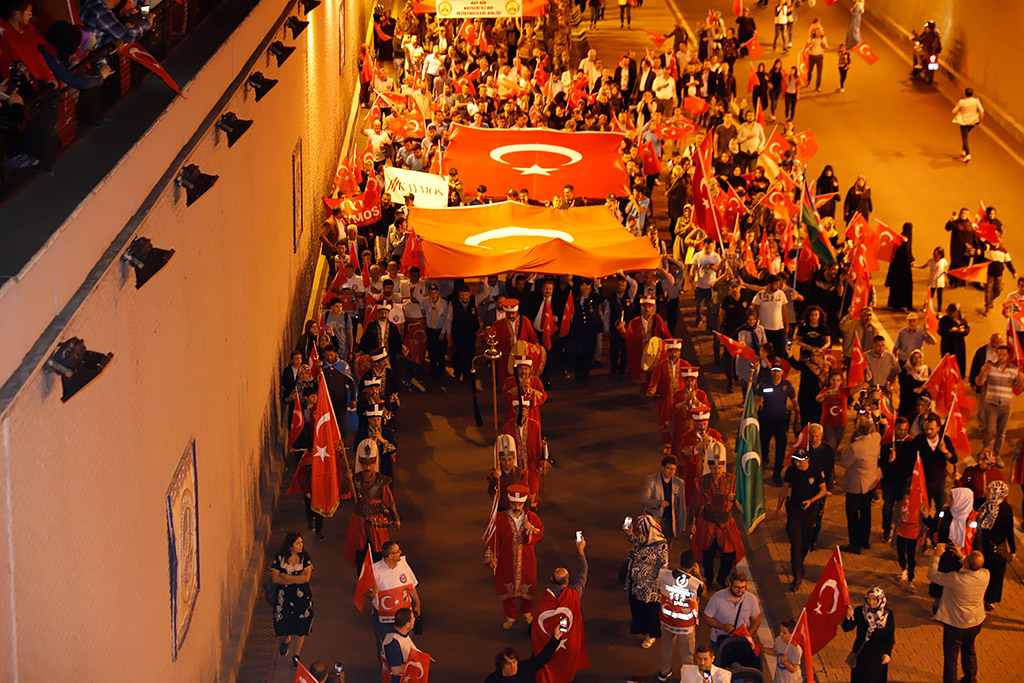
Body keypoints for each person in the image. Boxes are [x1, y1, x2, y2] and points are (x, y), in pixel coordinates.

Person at [530, 535, 589, 683]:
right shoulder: (574, 594)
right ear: (568, 581)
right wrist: (581, 551)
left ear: (551, 580)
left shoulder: (544, 599)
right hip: (567, 644)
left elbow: (538, 624)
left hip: (547, 643)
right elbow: (584, 572)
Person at [928, 544, 988, 683]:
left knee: (951, 657)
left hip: (956, 623)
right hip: (975, 621)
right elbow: (972, 566)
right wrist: (962, 557)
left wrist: (936, 556)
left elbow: (932, 575)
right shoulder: (985, 575)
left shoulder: (956, 579)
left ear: (966, 563)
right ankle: (970, 679)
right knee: (969, 651)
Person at [486, 484, 543, 629]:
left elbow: (539, 533)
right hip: (507, 561)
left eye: (520, 504)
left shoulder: (532, 518)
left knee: (528, 587)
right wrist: (492, 557)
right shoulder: (500, 519)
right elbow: (494, 541)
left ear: (524, 503)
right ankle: (510, 615)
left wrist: (529, 527)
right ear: (509, 503)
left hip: (526, 561)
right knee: (508, 590)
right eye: (514, 504)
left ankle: (527, 612)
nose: (517, 507)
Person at [773, 447, 826, 590]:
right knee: (795, 543)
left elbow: (823, 490)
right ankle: (797, 576)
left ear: (807, 460)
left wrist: (812, 500)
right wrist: (778, 508)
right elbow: (784, 488)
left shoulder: (815, 470)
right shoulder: (791, 471)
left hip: (810, 512)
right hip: (795, 511)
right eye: (796, 460)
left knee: (805, 543)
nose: (798, 464)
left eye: (801, 461)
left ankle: (800, 563)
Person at [691, 443, 744, 587]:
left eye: (719, 467)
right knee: (707, 554)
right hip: (708, 525)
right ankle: (708, 577)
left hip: (726, 524)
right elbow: (695, 504)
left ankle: (722, 577)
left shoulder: (730, 480)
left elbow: (742, 500)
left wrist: (734, 498)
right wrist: (692, 523)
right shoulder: (702, 482)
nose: (716, 470)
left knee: (729, 554)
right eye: (714, 467)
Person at [344, 440, 400, 568]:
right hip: (359, 522)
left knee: (378, 554)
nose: (367, 467)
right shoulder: (356, 480)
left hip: (377, 522)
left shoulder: (381, 481)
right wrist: (347, 481)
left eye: (370, 464)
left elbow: (389, 501)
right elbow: (345, 495)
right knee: (360, 554)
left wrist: (396, 518)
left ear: (375, 462)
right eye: (364, 464)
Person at [656, 550, 705, 682]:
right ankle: (688, 678)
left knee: (666, 647)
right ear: (693, 565)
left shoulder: (665, 575)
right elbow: (703, 592)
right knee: (687, 653)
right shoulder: (695, 583)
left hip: (667, 620)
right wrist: (698, 574)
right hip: (685, 625)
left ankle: (663, 672)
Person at [623, 515, 669, 649]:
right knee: (637, 607)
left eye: (640, 529)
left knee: (650, 613)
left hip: (650, 589)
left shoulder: (661, 546)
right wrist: (630, 535)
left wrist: (648, 583)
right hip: (636, 585)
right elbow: (639, 548)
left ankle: (652, 634)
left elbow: (663, 568)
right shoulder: (646, 540)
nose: (639, 532)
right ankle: (640, 627)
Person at [366, 541, 421, 650]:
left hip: (404, 616)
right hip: (384, 618)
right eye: (397, 551)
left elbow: (411, 586)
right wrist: (372, 594)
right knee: (383, 644)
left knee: (408, 644)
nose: (400, 552)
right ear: (390, 556)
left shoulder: (403, 566)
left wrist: (417, 604)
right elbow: (366, 593)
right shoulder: (374, 570)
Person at [270, 532, 314, 667]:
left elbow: (306, 578)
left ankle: (296, 655)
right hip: (283, 598)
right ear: (290, 546)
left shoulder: (305, 558)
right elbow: (275, 578)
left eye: (301, 543)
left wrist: (286, 577)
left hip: (302, 599)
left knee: (301, 626)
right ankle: (286, 640)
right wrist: (296, 579)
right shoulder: (279, 559)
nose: (301, 545)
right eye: (298, 543)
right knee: (282, 625)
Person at [975, 344, 1023, 464]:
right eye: (999, 354)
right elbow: (979, 383)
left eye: (1004, 355)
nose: (1001, 357)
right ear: (996, 354)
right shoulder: (989, 367)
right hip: (991, 404)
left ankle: (997, 455)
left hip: (1006, 405)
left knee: (1001, 432)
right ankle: (985, 452)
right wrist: (983, 372)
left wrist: (1021, 379)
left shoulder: (1014, 370)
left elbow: (1019, 388)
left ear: (1008, 356)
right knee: (990, 430)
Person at [840, 417, 880, 554]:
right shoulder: (876, 439)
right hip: (870, 483)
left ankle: (854, 544)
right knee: (866, 512)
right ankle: (865, 541)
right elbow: (876, 431)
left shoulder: (854, 447)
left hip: (856, 485)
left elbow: (844, 463)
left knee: (852, 514)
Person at [841, 587, 895, 683]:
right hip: (861, 653)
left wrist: (887, 653)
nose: (871, 602)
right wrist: (848, 617)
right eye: (869, 599)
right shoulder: (860, 611)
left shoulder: (888, 615)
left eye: (874, 599)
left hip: (878, 656)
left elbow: (890, 636)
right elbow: (847, 628)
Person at [756, 364, 798, 486]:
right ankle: (764, 459)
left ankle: (776, 473)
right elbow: (757, 399)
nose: (775, 373)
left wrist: (798, 417)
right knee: (763, 443)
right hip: (765, 420)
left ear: (782, 372)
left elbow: (794, 401)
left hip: (780, 422)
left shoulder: (787, 386)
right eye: (774, 371)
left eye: (778, 371)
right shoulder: (764, 384)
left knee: (781, 449)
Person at [976, 480, 1016, 611]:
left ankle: (990, 600)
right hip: (981, 546)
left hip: (997, 549)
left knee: (995, 575)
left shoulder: (1005, 510)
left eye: (989, 490)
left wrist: (1013, 550)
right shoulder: (981, 504)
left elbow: (1009, 531)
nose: (986, 492)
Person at [616, 296, 671, 384]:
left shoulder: (657, 319)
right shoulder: (635, 322)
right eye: (645, 306)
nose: (647, 309)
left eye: (649, 307)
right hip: (641, 354)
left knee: (654, 377)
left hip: (654, 352)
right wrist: (621, 329)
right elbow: (628, 335)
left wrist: (670, 346)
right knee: (643, 380)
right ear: (641, 307)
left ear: (652, 308)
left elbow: (666, 334)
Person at [702, 571, 761, 647]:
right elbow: (707, 618)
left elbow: (756, 620)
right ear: (729, 584)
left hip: (741, 641)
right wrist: (723, 626)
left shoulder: (751, 599)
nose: (740, 591)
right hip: (720, 641)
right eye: (737, 587)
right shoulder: (717, 598)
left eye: (743, 587)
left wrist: (750, 633)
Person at [485, 630, 564, 683]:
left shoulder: (525, 668)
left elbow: (543, 657)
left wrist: (556, 637)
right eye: (508, 664)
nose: (513, 666)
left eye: (514, 662)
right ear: (501, 665)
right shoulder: (493, 680)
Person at [641, 455, 687, 543]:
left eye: (673, 469)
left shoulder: (679, 483)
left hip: (670, 522)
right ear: (662, 468)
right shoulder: (652, 480)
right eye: (668, 468)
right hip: (654, 521)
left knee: (666, 549)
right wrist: (658, 503)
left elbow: (681, 505)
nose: (671, 472)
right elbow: (644, 500)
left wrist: (681, 526)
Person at [752, 275, 789, 357]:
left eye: (778, 284)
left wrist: (786, 325)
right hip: (764, 329)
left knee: (780, 352)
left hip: (779, 328)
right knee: (764, 352)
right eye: (776, 284)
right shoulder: (760, 295)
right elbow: (755, 310)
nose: (778, 286)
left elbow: (784, 310)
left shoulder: (781, 294)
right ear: (769, 284)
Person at [380, 608, 417, 683]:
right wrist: (415, 664)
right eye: (412, 618)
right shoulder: (393, 644)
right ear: (407, 625)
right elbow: (396, 670)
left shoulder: (400, 635)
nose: (414, 619)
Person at [885, 223, 915, 311]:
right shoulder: (901, 239)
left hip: (901, 269)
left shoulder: (906, 239)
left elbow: (908, 252)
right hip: (901, 269)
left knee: (902, 287)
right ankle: (899, 305)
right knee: (906, 286)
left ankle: (900, 304)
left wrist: (912, 259)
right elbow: (902, 254)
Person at [951, 88, 984, 162]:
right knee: (966, 134)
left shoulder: (961, 102)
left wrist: (958, 111)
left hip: (964, 122)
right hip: (973, 122)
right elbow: (981, 111)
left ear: (965, 94)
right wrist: (980, 119)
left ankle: (968, 154)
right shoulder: (976, 101)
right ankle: (963, 150)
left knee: (965, 138)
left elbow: (954, 111)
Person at [938, 303, 970, 376]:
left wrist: (963, 331)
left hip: (959, 344)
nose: (956, 314)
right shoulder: (944, 319)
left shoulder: (961, 319)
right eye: (954, 312)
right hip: (948, 344)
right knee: (949, 361)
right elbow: (940, 331)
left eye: (957, 312)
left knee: (959, 360)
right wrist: (950, 330)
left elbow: (967, 328)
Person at [767, 619, 802, 683]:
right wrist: (762, 648)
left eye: (784, 633)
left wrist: (786, 662)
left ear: (792, 634)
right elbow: (775, 652)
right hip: (779, 679)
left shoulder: (796, 649)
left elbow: (793, 669)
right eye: (780, 631)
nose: (780, 634)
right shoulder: (778, 640)